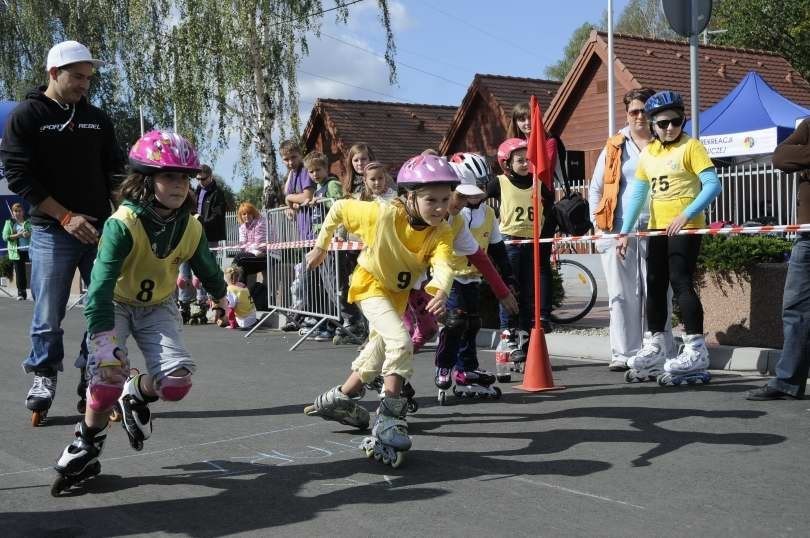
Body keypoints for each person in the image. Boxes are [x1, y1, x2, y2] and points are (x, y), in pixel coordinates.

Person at [51, 130, 227, 494]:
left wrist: (222, 297)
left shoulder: (190, 226)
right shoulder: (123, 224)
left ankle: (138, 390)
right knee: (105, 382)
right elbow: (98, 288)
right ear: (146, 180)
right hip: (113, 303)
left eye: (184, 177)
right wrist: (102, 343)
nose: (179, 185)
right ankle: (87, 439)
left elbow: (206, 266)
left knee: (176, 384)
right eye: (168, 176)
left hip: (157, 306)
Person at [302, 154, 458, 468]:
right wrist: (321, 246)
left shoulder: (441, 231)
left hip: (396, 295)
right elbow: (339, 208)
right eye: (432, 200)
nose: (441, 208)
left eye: (446, 199)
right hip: (369, 286)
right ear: (412, 196)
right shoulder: (384, 214)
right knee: (400, 341)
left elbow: (444, 264)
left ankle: (339, 399)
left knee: (377, 353)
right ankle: (389, 417)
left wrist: (440, 289)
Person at [0, 40, 124, 421]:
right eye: (78, 77)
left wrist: (122, 219)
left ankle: (93, 377)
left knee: (106, 308)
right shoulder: (27, 115)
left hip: (100, 229)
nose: (85, 84)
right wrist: (66, 216)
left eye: (89, 78)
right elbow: (18, 176)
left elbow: (116, 173)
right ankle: (43, 374)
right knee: (47, 311)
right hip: (52, 230)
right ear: (54, 73)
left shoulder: (97, 118)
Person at [616, 90, 721, 385]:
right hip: (657, 228)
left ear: (683, 119)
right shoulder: (649, 152)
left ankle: (696, 349)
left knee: (681, 281)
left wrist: (686, 214)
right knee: (654, 284)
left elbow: (712, 185)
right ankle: (658, 346)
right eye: (662, 124)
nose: (670, 128)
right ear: (652, 125)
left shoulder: (692, 147)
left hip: (685, 227)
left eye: (675, 122)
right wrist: (625, 231)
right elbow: (638, 192)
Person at [588, 88, 675, 372]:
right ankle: (623, 353)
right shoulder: (615, 145)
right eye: (633, 112)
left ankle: (658, 349)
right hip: (618, 229)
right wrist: (598, 227)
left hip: (658, 227)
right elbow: (597, 188)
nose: (638, 117)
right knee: (621, 294)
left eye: (643, 111)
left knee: (657, 291)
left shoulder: (666, 140)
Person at [434, 152, 517, 401]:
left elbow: (496, 251)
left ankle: (465, 369)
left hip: (472, 277)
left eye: (481, 186)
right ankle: (444, 364)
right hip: (450, 277)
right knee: (455, 322)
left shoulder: (487, 214)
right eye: (471, 189)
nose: (478, 193)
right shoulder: (452, 215)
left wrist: (508, 284)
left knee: (472, 324)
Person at [747, 118, 810, 400]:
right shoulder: (809, 125)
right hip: (807, 238)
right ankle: (787, 381)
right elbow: (781, 157)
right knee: (795, 309)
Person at [507, 102, 563, 331]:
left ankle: (542, 314)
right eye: (521, 119)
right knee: (517, 266)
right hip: (518, 211)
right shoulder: (511, 145)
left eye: (529, 118)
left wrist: (522, 159)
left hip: (542, 207)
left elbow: (540, 168)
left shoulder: (548, 142)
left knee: (540, 264)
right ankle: (521, 313)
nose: (526, 123)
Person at [488, 138, 540, 333]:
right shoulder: (499, 183)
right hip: (509, 244)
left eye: (528, 159)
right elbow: (478, 200)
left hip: (531, 243)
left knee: (528, 294)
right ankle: (507, 335)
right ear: (507, 163)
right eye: (520, 160)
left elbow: (549, 204)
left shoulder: (537, 181)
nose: (526, 163)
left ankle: (525, 334)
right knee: (509, 292)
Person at [334, 143, 377, 342]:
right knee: (354, 286)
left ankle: (374, 332)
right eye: (356, 160)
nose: (360, 163)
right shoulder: (349, 184)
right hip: (352, 245)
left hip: (372, 243)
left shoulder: (379, 178)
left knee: (372, 288)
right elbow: (344, 213)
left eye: (364, 159)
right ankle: (359, 325)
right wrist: (339, 234)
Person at [177, 164, 227, 324]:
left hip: (208, 235)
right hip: (190, 234)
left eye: (203, 179)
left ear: (210, 176)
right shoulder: (196, 191)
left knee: (203, 273)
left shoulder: (217, 194)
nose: (200, 182)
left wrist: (201, 223)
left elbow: (218, 215)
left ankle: (202, 304)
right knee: (183, 276)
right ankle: (184, 305)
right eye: (197, 179)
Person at [303, 150, 344, 341]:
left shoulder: (332, 184)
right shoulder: (318, 188)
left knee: (334, 284)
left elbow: (339, 205)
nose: (315, 174)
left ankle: (340, 323)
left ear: (326, 168)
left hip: (332, 241)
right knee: (325, 285)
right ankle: (329, 323)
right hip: (321, 240)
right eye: (311, 172)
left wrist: (324, 202)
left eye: (318, 170)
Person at [280, 139, 315, 332]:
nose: (290, 162)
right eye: (286, 159)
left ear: (300, 155)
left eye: (293, 157)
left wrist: (289, 199)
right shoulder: (292, 174)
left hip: (313, 231)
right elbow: (290, 196)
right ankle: (301, 315)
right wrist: (288, 204)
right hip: (303, 231)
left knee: (308, 279)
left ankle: (307, 317)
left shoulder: (304, 172)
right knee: (303, 278)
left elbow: (306, 196)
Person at [233, 202, 268, 285]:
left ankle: (228, 282)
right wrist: (251, 247)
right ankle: (242, 294)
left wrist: (249, 246)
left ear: (253, 213)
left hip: (269, 256)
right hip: (255, 255)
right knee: (242, 268)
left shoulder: (260, 223)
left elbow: (260, 247)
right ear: (241, 216)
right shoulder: (242, 228)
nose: (246, 216)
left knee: (239, 257)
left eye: (249, 213)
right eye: (244, 214)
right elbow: (242, 247)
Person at [2, 202, 32, 300]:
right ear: (13, 212)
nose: (18, 213)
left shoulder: (28, 221)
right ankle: (21, 293)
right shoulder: (9, 222)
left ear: (23, 212)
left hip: (30, 250)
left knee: (36, 271)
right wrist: (18, 235)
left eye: (19, 211)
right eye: (15, 211)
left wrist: (28, 234)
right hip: (17, 251)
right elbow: (5, 237)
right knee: (20, 273)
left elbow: (34, 233)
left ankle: (37, 292)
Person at [219, 265, 258, 330]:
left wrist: (232, 324)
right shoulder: (243, 285)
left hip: (244, 322)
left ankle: (235, 323)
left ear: (225, 278)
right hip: (253, 316)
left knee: (225, 312)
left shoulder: (230, 289)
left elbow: (231, 309)